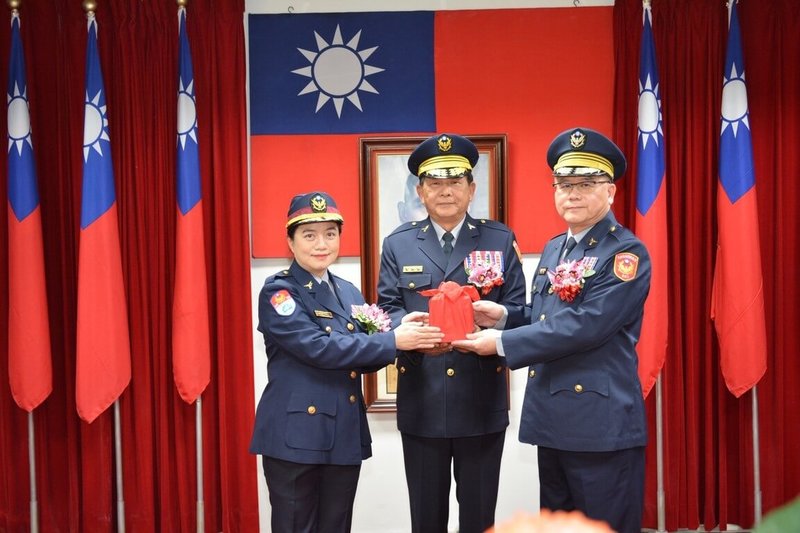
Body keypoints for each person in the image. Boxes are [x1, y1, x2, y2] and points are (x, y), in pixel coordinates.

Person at [453, 127, 651, 533]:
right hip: (555, 419)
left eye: (585, 183)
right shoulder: (555, 246)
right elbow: (547, 318)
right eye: (563, 183)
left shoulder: (625, 253)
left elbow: (586, 326)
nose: (572, 193)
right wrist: (504, 317)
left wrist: (502, 343)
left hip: (600, 426)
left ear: (610, 191)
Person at [250, 191, 443, 533]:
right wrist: (392, 340)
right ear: (290, 242)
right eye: (309, 235)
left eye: (330, 233)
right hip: (297, 437)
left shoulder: (348, 291)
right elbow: (319, 348)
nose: (321, 244)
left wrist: (404, 329)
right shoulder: (279, 292)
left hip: (341, 433)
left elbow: (366, 348)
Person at [377, 134, 527, 533]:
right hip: (422, 399)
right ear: (421, 192)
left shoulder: (499, 239)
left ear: (471, 189)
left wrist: (499, 318)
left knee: (479, 518)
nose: (445, 191)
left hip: (480, 400)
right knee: (426, 519)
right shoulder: (398, 243)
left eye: (455, 181)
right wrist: (402, 327)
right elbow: (386, 309)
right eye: (435, 184)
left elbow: (522, 312)